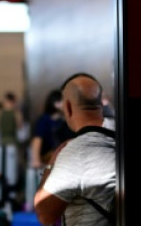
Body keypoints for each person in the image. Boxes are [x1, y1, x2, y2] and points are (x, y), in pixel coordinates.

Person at [34, 73, 115, 226]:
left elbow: (45, 215)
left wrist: (50, 166)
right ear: (100, 103)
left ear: (68, 107)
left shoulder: (75, 153)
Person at [29, 90, 74, 170]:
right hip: (48, 158)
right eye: (64, 101)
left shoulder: (63, 121)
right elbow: (37, 140)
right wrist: (36, 160)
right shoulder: (44, 120)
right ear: (56, 104)